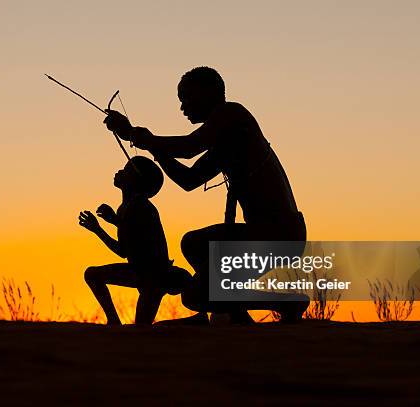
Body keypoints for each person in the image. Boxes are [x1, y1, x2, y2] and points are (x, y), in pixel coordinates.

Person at [104, 67, 309, 323]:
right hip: (273, 235)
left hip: (277, 235)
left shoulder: (232, 113)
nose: (183, 108)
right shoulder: (227, 141)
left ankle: (282, 303)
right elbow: (189, 180)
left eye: (186, 99)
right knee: (195, 290)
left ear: (209, 92)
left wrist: (138, 136)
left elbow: (189, 147)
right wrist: (152, 146)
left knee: (196, 263)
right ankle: (240, 313)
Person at [79, 156, 192, 325]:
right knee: (93, 275)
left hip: (153, 277)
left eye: (126, 171)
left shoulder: (141, 206)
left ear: (136, 181)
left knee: (142, 329)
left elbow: (129, 244)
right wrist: (100, 228)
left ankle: (194, 322)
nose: (120, 172)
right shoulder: (126, 208)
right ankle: (113, 322)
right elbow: (124, 250)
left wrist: (109, 224)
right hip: (141, 274)